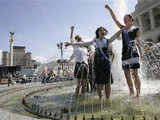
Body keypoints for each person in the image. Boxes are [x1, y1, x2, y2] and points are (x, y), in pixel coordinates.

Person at [65, 26, 130, 101]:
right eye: (100, 30)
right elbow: (83, 43)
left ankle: (107, 99)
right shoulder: (95, 41)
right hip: (97, 63)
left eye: (104, 30)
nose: (102, 31)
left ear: (105, 32)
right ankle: (100, 99)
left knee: (107, 82)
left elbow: (115, 36)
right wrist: (71, 44)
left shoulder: (107, 40)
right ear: (98, 33)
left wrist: (122, 29)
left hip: (106, 63)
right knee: (99, 82)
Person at [105, 4, 142, 98]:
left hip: (133, 53)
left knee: (135, 74)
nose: (124, 20)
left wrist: (141, 54)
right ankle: (131, 92)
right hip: (125, 54)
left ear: (131, 20)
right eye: (124, 19)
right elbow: (115, 20)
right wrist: (110, 9)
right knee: (127, 75)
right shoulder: (122, 28)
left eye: (126, 18)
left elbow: (138, 42)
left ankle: (138, 94)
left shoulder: (136, 29)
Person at [68, 26, 88, 98]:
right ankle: (76, 97)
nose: (79, 41)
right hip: (78, 65)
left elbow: (87, 55)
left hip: (85, 65)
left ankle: (83, 97)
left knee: (84, 84)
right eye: (78, 39)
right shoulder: (75, 46)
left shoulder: (85, 48)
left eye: (80, 39)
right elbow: (71, 39)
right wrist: (72, 30)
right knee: (79, 84)